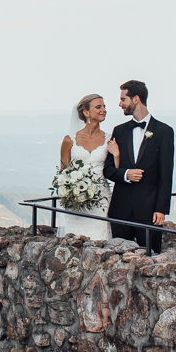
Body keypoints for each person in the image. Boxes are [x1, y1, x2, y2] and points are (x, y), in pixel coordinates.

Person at [104, 80, 175, 254]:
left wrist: (161, 208)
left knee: (152, 259)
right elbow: (108, 169)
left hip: (149, 211)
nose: (120, 104)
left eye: (123, 99)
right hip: (120, 210)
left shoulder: (164, 132)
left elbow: (166, 174)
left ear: (136, 99)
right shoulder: (119, 131)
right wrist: (126, 174)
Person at [57, 93, 120, 243]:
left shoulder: (110, 139)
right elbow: (63, 172)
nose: (103, 110)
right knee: (74, 242)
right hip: (77, 202)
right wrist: (71, 192)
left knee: (100, 240)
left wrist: (116, 155)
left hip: (101, 199)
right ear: (86, 113)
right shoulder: (69, 140)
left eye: (104, 107)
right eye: (98, 107)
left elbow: (117, 170)